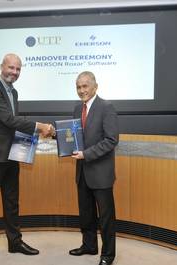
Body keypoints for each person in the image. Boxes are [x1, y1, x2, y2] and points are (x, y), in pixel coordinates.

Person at [0, 53, 54, 265]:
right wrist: (40, 127)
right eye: (11, 68)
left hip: (11, 154)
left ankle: (14, 241)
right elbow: (9, 120)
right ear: (2, 66)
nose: (14, 72)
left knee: (11, 201)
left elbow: (12, 124)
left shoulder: (14, 92)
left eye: (18, 69)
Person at [69, 71, 119, 265]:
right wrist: (57, 136)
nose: (81, 90)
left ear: (95, 86)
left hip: (101, 173)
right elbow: (74, 137)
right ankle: (89, 245)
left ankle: (108, 255)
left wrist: (86, 154)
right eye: (78, 87)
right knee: (86, 213)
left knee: (106, 217)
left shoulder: (107, 107)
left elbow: (111, 140)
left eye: (85, 86)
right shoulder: (76, 109)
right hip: (82, 172)